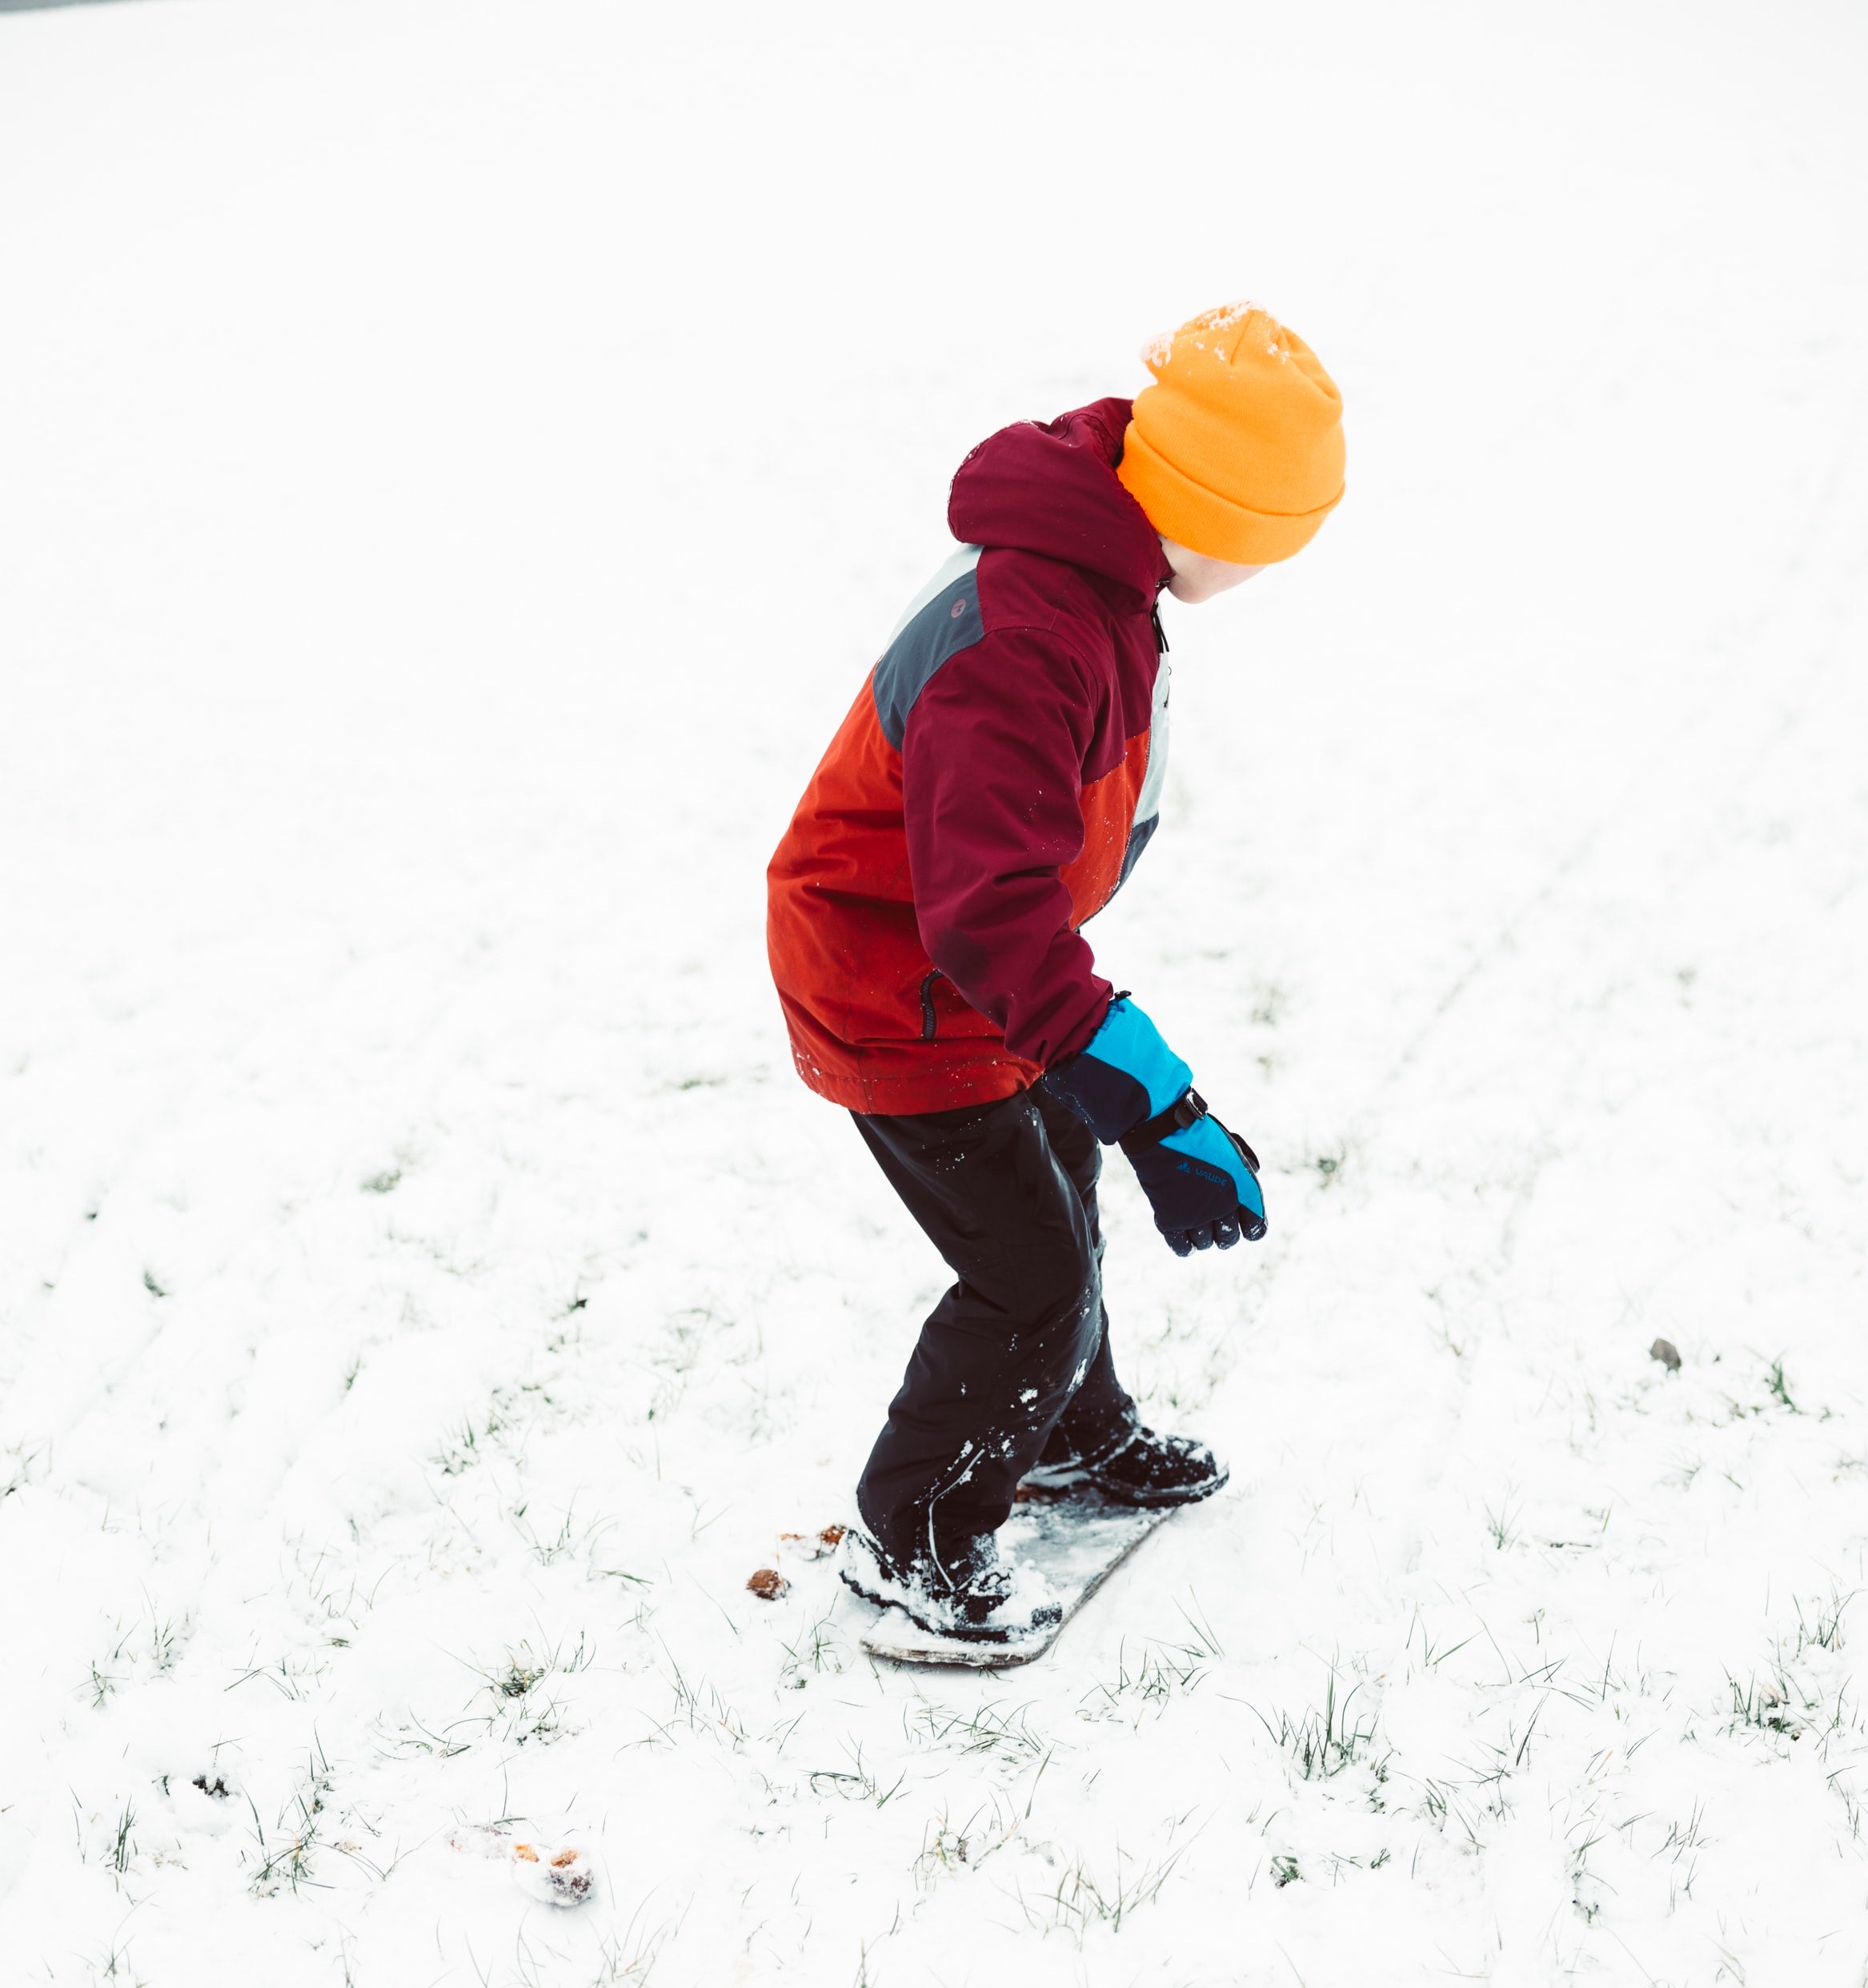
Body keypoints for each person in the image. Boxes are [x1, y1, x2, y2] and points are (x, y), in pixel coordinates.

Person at [767, 302, 1346, 1640]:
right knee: (1024, 1277)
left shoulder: (1098, 570)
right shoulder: (1032, 635)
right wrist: (1153, 1094)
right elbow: (985, 914)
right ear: (1217, 513)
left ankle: (1071, 1442)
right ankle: (912, 1539)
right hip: (897, 988)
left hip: (970, 977)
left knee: (1056, 1202)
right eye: (1269, 547)